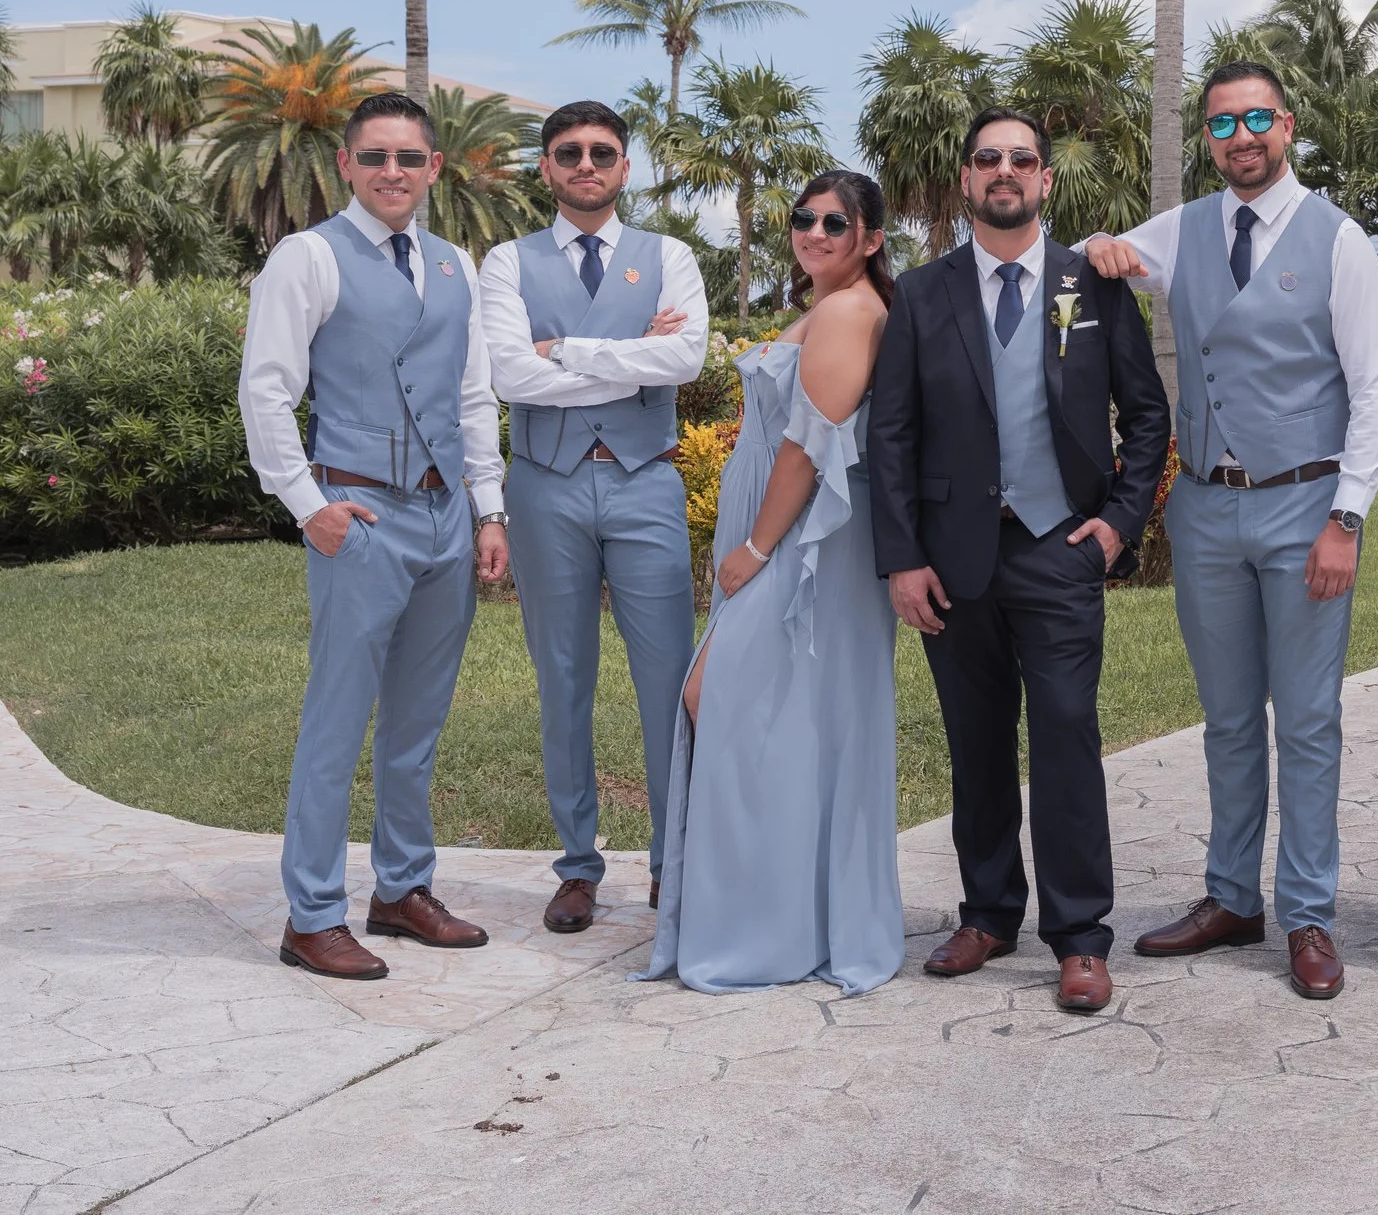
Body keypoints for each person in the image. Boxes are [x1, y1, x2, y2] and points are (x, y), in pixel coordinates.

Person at [1087, 60, 1378, 1001]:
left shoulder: (1341, 240)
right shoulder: (1183, 230)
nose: (1242, 137)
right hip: (1205, 506)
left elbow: (1375, 390)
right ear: (1208, 138)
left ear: (1287, 125)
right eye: (1222, 124)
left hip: (1308, 505)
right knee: (1225, 718)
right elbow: (1109, 253)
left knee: (1307, 720)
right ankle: (1231, 896)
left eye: (1257, 119)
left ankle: (1306, 912)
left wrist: (1347, 518)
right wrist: (1099, 243)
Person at [869, 109, 1169, 1015]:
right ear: (966, 179)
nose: (1005, 170)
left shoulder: (1093, 283)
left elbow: (1148, 416)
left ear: (1044, 178)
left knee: (1067, 732)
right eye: (988, 158)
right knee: (975, 739)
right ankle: (990, 912)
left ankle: (1080, 936)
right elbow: (892, 434)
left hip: (1060, 547)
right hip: (953, 556)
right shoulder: (922, 292)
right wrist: (903, 557)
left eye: (1022, 158)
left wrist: (1118, 524)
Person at [240, 91, 510, 981]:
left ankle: (401, 890)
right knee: (337, 718)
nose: (393, 171)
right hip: (356, 514)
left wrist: (488, 508)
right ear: (346, 164)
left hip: (444, 516)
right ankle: (312, 914)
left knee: (417, 722)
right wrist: (306, 503)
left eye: (409, 157)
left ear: (435, 168)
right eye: (376, 156)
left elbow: (472, 394)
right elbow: (266, 389)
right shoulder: (308, 256)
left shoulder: (455, 264)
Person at [634, 171, 904, 995]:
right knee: (787, 716)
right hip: (786, 528)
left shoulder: (850, 310)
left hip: (805, 537)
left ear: (871, 238)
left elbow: (809, 446)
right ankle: (782, 914)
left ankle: (763, 926)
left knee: (729, 698)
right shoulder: (829, 305)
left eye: (835, 222)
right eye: (803, 218)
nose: (814, 232)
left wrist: (755, 545)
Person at [478, 100, 707, 934]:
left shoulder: (668, 255)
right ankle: (577, 865)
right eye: (569, 152)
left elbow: (685, 357)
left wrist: (564, 351)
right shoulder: (507, 261)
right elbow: (510, 375)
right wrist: (633, 355)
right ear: (546, 166)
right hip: (546, 487)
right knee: (563, 678)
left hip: (646, 483)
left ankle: (673, 860)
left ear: (624, 167)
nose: (586, 164)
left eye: (602, 152)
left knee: (670, 682)